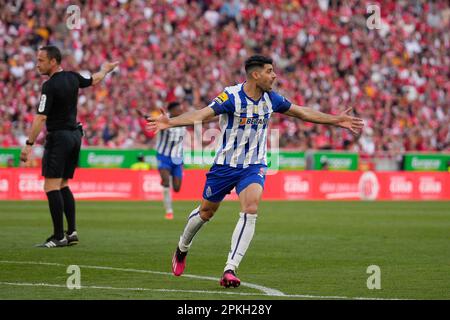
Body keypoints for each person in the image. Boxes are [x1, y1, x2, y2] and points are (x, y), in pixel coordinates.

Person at [147, 55, 364, 288]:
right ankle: (182, 248)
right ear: (255, 74)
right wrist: (170, 122)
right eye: (270, 71)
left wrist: (336, 120)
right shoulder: (231, 97)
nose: (274, 75)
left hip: (253, 165)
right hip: (225, 165)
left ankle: (230, 268)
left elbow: (302, 112)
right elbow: (200, 114)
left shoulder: (272, 99)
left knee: (251, 209)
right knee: (206, 212)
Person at [20, 45, 118, 248]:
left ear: (53, 61)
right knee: (63, 184)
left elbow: (40, 117)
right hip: (75, 136)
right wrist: (106, 69)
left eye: (41, 60)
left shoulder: (49, 86)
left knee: (50, 186)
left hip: (59, 137)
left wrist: (28, 144)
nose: (37, 64)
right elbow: (94, 79)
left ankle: (58, 236)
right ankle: (71, 232)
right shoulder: (73, 77)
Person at [155, 102, 186, 220]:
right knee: (166, 181)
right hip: (163, 156)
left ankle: (167, 181)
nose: (180, 111)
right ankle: (169, 211)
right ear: (171, 111)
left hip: (177, 157)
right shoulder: (164, 120)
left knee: (177, 188)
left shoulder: (183, 120)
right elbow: (154, 122)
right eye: (178, 110)